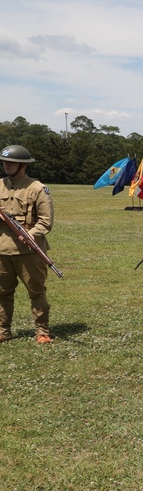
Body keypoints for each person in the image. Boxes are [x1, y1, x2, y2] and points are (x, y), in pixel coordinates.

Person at [0, 145, 54, 344]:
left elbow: (46, 221)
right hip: (2, 250)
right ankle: (3, 331)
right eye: (5, 162)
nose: (6, 165)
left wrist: (30, 235)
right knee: (2, 293)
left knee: (36, 291)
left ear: (23, 164)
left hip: (29, 251)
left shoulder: (37, 188)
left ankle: (42, 331)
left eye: (11, 162)